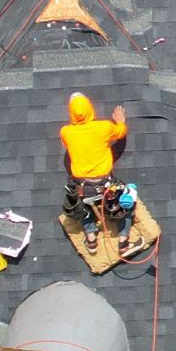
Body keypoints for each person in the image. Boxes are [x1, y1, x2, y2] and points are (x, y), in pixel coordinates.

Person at [59, 93, 130, 243]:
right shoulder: (104, 127)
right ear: (90, 109)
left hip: (82, 188)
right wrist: (120, 122)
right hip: (105, 185)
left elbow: (69, 145)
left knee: (83, 209)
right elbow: (120, 133)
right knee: (128, 201)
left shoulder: (66, 132)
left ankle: (91, 238)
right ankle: (123, 241)